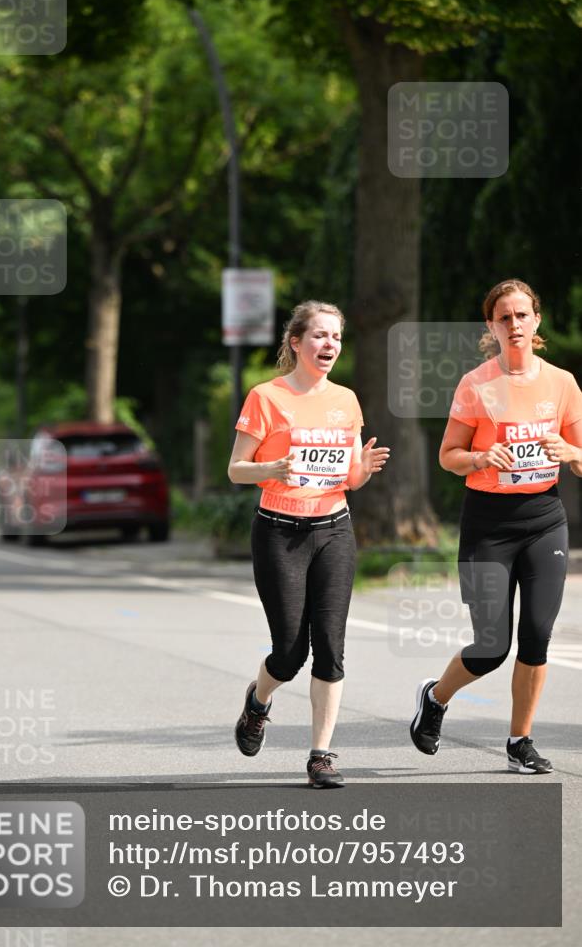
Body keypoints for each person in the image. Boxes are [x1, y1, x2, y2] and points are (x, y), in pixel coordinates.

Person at [410, 279, 582, 774]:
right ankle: (437, 697)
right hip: (488, 524)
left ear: (537, 321)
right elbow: (448, 456)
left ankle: (519, 740)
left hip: (545, 519)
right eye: (503, 317)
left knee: (536, 637)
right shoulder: (476, 384)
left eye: (522, 315)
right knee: (491, 647)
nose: (514, 324)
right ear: (491, 326)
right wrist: (481, 456)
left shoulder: (562, 383)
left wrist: (572, 453)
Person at [228, 301, 390, 788]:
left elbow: (349, 478)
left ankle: (321, 755)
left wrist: (360, 469)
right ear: (296, 342)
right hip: (278, 531)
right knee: (289, 652)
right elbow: (236, 469)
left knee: (331, 648)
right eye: (319, 336)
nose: (329, 345)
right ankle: (258, 702)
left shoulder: (347, 400)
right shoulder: (265, 397)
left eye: (336, 338)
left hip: (334, 529)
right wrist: (269, 469)